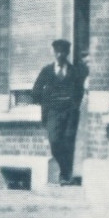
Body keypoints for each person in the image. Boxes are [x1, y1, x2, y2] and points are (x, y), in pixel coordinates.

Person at [33, 38, 88, 185]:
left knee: (68, 142)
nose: (60, 55)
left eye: (63, 52)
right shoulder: (47, 71)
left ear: (67, 53)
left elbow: (80, 91)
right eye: (57, 51)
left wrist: (74, 105)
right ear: (53, 52)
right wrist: (47, 103)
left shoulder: (74, 71)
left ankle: (65, 176)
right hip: (53, 113)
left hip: (70, 114)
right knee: (55, 140)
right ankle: (65, 170)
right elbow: (36, 91)